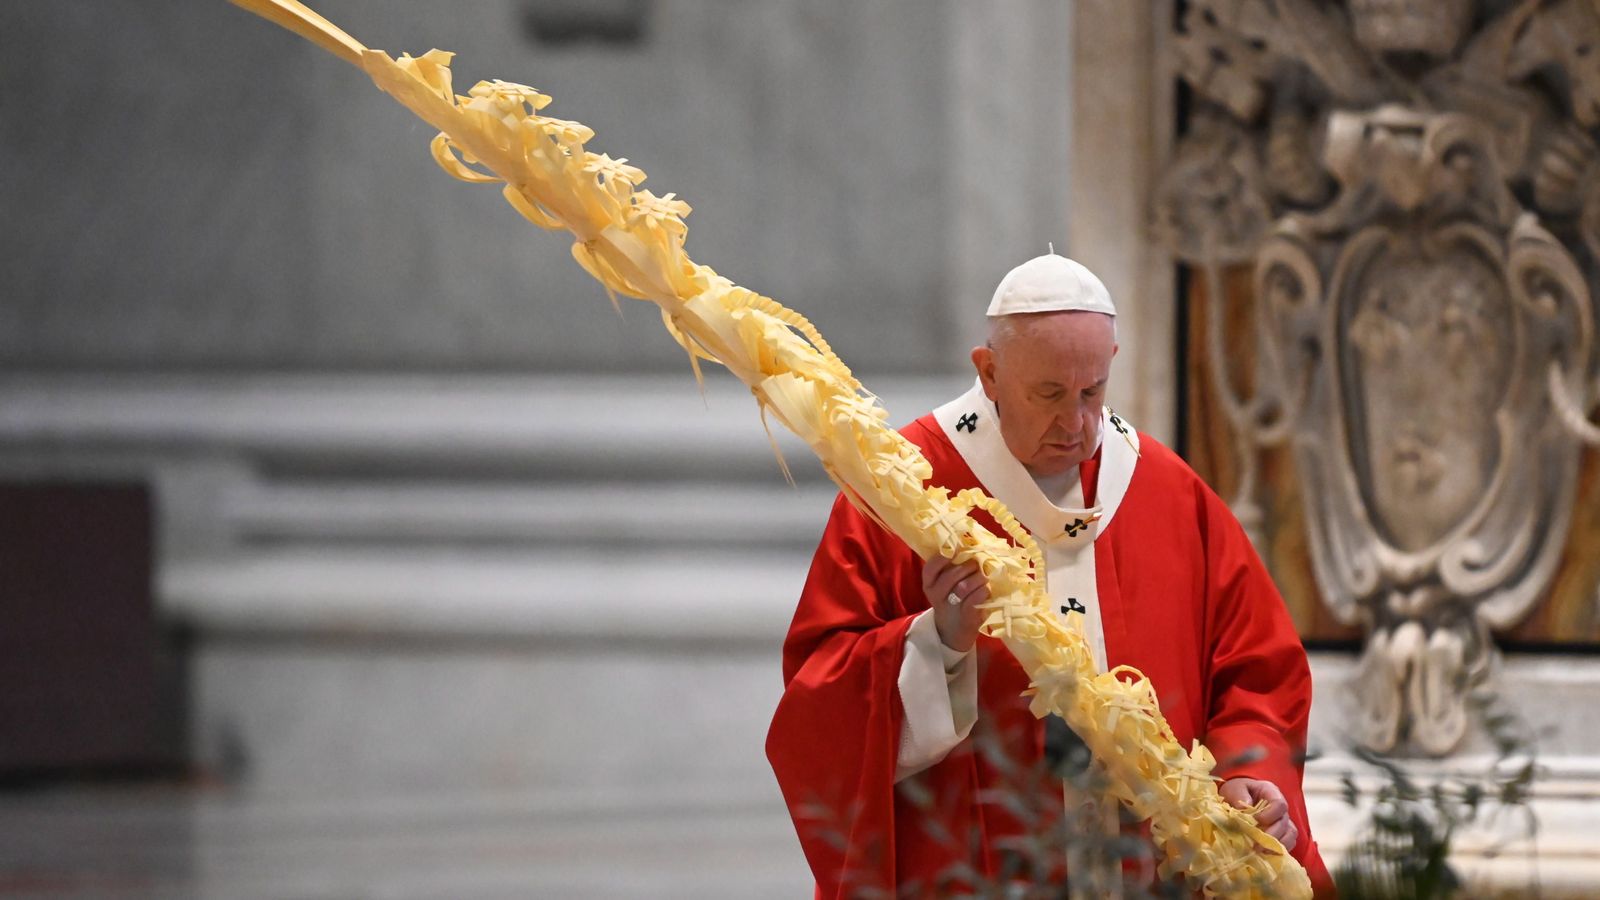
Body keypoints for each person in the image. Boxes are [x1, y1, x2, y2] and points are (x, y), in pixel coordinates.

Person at [766, 253, 1334, 897]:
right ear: (989, 372)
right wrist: (939, 642)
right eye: (1049, 395)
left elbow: (1256, 673)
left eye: (1092, 392)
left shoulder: (1165, 490)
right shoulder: (903, 486)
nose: (1076, 425)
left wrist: (1248, 771)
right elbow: (819, 704)